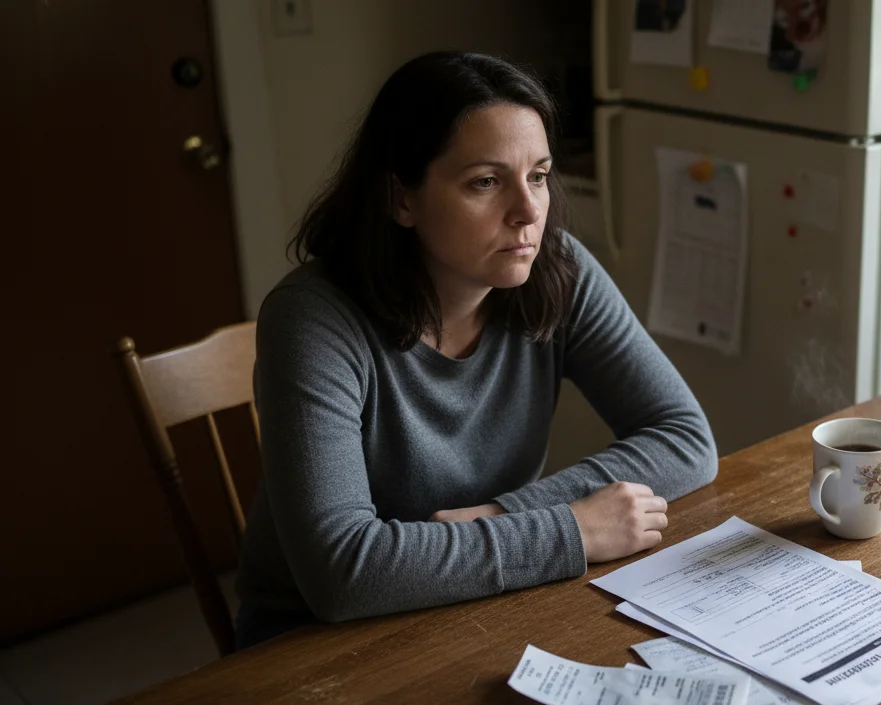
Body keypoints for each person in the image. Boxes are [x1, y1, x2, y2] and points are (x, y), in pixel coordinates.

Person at [233, 51, 718, 649]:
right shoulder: (312, 320)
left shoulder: (559, 270)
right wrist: (570, 530)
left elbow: (686, 439)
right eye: (486, 182)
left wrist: (504, 514)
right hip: (311, 641)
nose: (529, 211)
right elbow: (343, 574)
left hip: (484, 594)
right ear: (400, 198)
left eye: (538, 175)